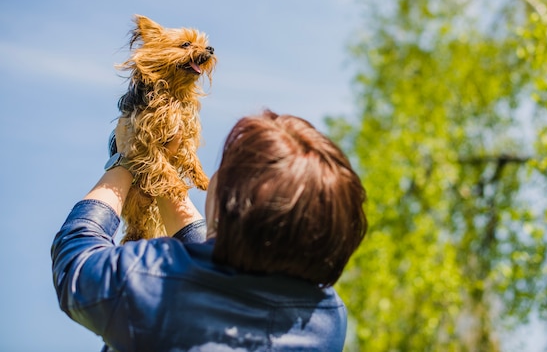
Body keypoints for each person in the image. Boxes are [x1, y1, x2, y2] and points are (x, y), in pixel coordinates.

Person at [51, 109, 368, 352]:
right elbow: (218, 263)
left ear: (231, 204)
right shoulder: (327, 318)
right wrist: (159, 167)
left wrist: (124, 161)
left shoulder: (149, 284)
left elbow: (76, 261)